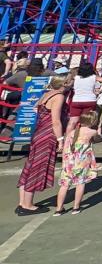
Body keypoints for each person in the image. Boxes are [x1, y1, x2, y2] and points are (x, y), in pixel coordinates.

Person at [15, 75, 67, 216]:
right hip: (48, 134)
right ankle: (27, 205)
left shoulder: (46, 94)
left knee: (30, 166)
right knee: (37, 168)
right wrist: (61, 139)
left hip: (38, 132)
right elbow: (56, 121)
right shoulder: (59, 97)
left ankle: (22, 202)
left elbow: (35, 108)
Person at [53, 110, 99, 216]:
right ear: (93, 121)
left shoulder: (72, 132)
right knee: (80, 184)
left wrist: (65, 161)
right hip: (82, 162)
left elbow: (65, 148)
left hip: (69, 161)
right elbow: (97, 139)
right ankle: (76, 207)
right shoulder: (92, 132)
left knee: (64, 185)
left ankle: (59, 208)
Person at [66, 62, 102, 135]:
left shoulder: (76, 77)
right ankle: (82, 139)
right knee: (86, 122)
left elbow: (68, 84)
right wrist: (100, 91)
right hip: (90, 100)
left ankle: (67, 140)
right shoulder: (94, 77)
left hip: (77, 100)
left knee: (72, 121)